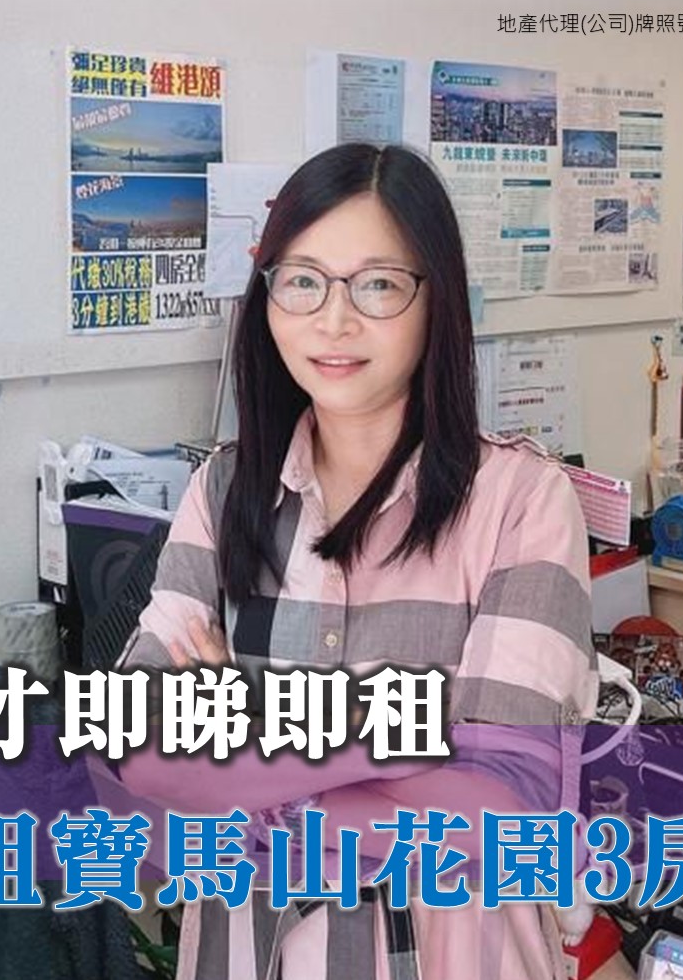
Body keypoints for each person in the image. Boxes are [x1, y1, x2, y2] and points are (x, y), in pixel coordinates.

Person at [117, 142, 598, 980]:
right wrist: (396, 737)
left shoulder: (521, 499)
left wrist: (252, 749)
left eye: (376, 284)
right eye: (302, 280)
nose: (332, 320)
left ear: (435, 298)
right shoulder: (222, 490)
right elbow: (135, 749)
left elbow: (499, 803)